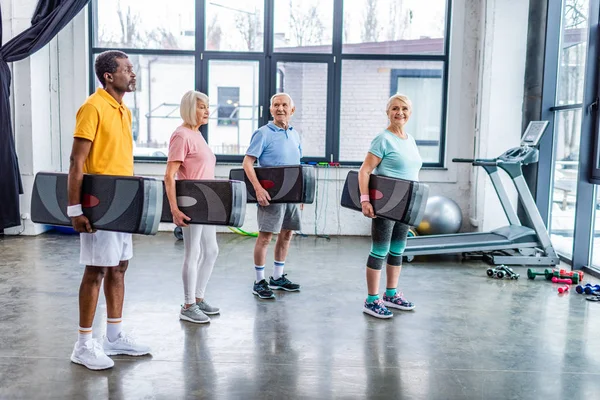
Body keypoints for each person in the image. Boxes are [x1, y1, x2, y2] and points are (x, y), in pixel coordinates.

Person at [68, 50, 150, 370]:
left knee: (119, 266)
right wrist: (75, 209)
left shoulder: (124, 111)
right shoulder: (92, 106)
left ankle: (113, 338)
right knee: (96, 270)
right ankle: (84, 344)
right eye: (127, 69)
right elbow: (76, 161)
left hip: (121, 202)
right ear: (108, 76)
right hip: (99, 204)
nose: (132, 73)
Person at [358, 94, 422, 319]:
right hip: (386, 203)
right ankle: (372, 300)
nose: (400, 112)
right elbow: (364, 170)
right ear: (388, 113)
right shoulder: (382, 139)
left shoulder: (410, 140)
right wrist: (365, 199)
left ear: (409, 113)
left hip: (406, 203)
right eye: (395, 108)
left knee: (398, 250)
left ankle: (391, 294)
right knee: (380, 250)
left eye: (404, 108)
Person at [164, 90, 220, 324]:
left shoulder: (197, 135)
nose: (207, 111)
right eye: (201, 107)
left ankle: (198, 298)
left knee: (212, 251)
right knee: (193, 252)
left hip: (205, 202)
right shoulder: (182, 135)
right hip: (191, 202)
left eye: (207, 107)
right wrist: (175, 210)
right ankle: (188, 305)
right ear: (189, 108)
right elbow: (169, 176)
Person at [242, 93, 302, 299]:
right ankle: (259, 281)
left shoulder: (295, 134)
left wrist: (300, 194)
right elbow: (247, 163)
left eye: (284, 105)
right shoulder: (262, 133)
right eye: (276, 105)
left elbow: (296, 166)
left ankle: (277, 277)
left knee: (287, 234)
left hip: (291, 196)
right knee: (265, 237)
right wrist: (258, 189)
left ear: (292, 110)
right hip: (270, 194)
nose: (280, 108)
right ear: (271, 110)